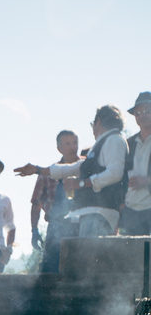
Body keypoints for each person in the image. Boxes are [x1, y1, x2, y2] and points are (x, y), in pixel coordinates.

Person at [14, 104, 127, 237]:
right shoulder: (102, 144)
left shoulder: (114, 139)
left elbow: (114, 173)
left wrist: (81, 183)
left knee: (90, 256)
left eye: (93, 124)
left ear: (99, 122)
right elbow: (74, 168)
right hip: (90, 214)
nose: (92, 129)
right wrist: (37, 170)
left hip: (100, 213)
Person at [30, 130, 80, 273]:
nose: (72, 147)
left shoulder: (87, 167)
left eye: (75, 142)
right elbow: (36, 203)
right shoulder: (49, 173)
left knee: (79, 271)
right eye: (68, 144)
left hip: (81, 226)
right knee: (51, 271)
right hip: (56, 227)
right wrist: (34, 230)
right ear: (59, 148)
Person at [120, 92, 151, 236]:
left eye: (147, 111)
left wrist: (147, 181)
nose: (142, 115)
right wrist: (121, 204)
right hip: (131, 212)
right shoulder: (128, 144)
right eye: (138, 112)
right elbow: (120, 176)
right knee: (134, 257)